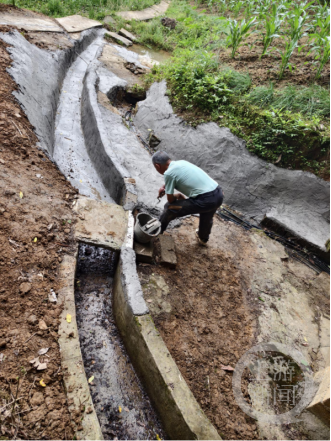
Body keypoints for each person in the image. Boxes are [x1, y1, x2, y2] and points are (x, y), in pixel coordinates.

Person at [152, 151, 224, 246]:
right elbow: (176, 175)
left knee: (170, 208)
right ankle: (203, 238)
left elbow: (171, 201)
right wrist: (165, 186)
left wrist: (177, 196)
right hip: (218, 194)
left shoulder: (168, 174)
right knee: (206, 215)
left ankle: (157, 232)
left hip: (206, 199)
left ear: (157, 166)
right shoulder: (181, 162)